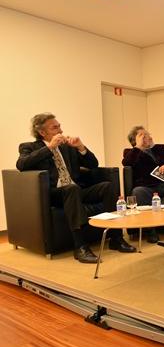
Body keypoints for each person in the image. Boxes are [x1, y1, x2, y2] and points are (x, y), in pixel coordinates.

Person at [16, 113, 135, 263]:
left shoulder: (67, 147)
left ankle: (116, 238)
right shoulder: (29, 147)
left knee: (107, 187)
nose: (60, 130)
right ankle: (80, 246)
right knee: (71, 189)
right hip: (53, 194)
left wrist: (81, 147)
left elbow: (93, 164)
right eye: (55, 127)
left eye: (59, 126)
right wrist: (50, 148)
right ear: (42, 132)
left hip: (76, 190)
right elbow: (21, 164)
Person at [122, 126, 164, 242]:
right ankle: (150, 229)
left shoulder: (161, 148)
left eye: (148, 134)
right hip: (147, 187)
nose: (149, 137)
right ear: (136, 140)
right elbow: (127, 163)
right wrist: (138, 146)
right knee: (137, 192)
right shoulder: (131, 152)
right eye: (144, 135)